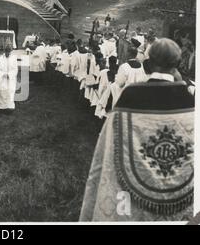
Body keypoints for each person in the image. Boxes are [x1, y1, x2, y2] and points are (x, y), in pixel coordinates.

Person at [80, 38, 194, 222]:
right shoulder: (192, 104)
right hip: (179, 203)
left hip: (130, 207)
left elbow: (106, 155)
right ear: (178, 64)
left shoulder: (130, 97)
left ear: (147, 64)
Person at [0, 45, 18, 111]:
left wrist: (10, 75)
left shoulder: (13, 59)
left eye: (9, 52)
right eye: (7, 52)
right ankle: (2, 106)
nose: (8, 53)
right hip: (2, 78)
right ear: (4, 51)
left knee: (10, 91)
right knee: (2, 91)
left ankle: (10, 105)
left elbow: (15, 69)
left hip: (10, 78)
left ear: (11, 51)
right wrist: (2, 74)